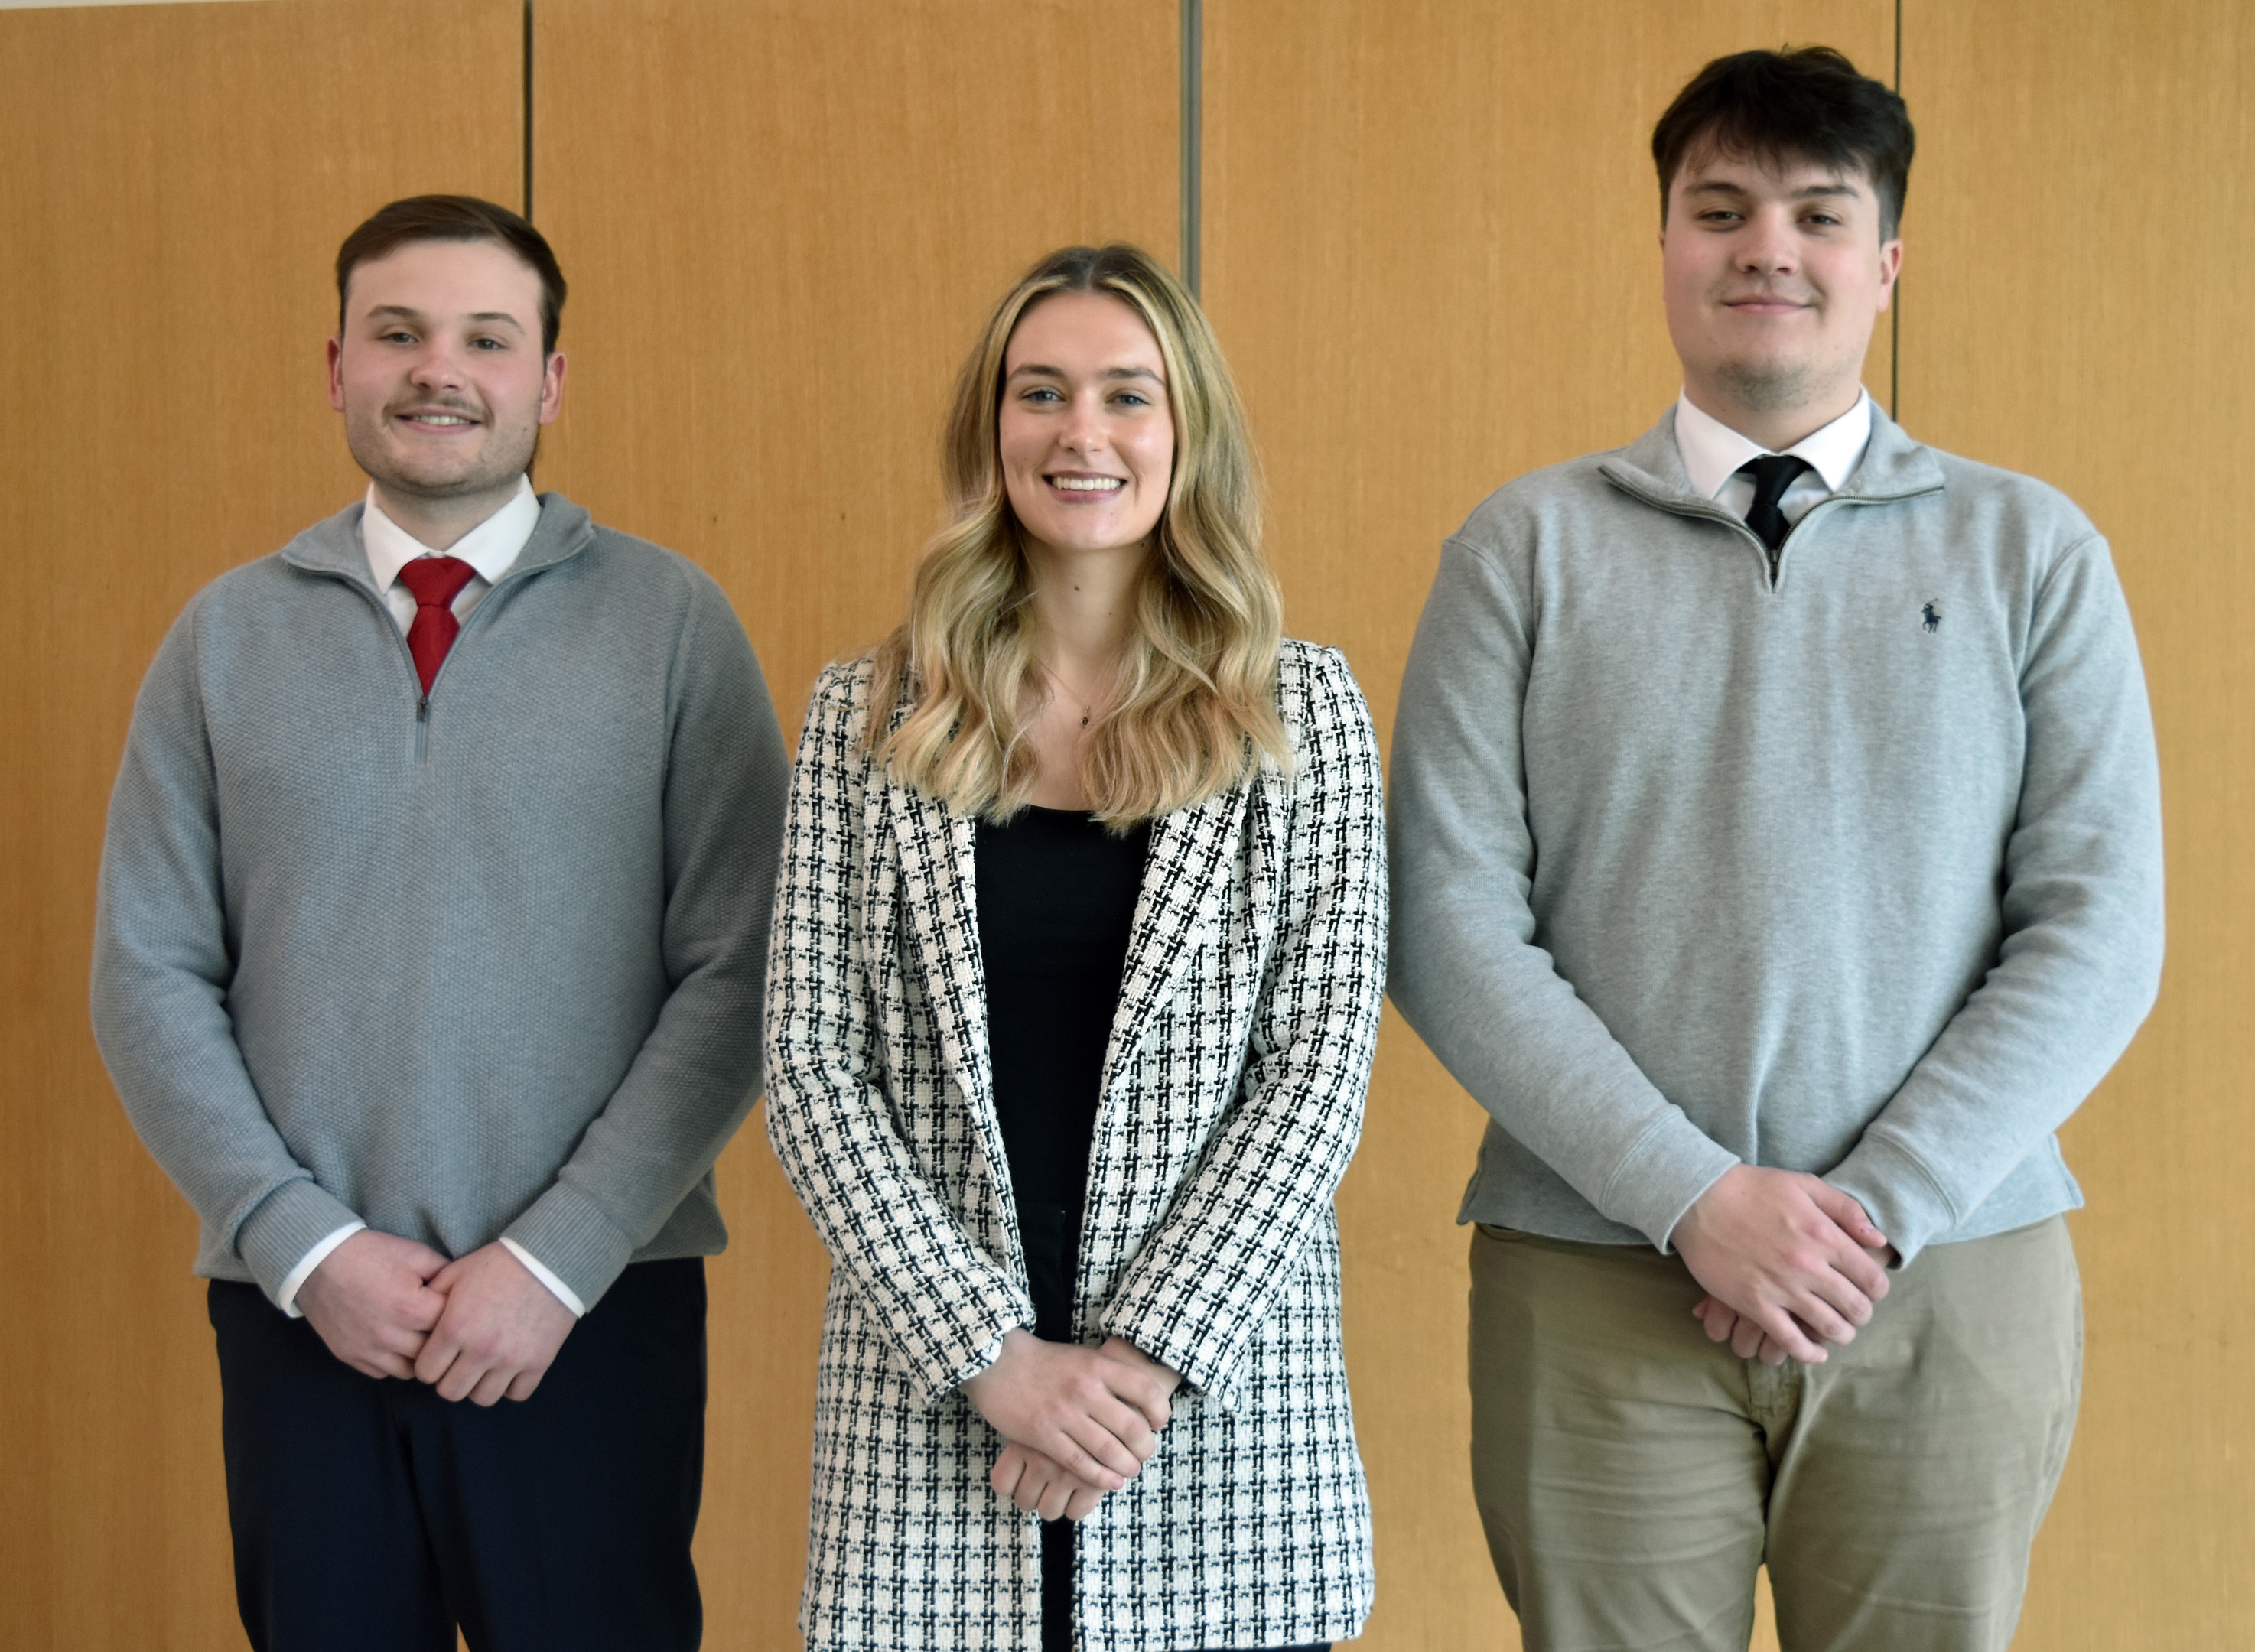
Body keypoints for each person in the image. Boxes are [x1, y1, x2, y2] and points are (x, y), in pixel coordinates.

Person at [1388, 47, 2163, 1652]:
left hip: (1944, 1271)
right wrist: (1691, 1198)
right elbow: (1447, 924)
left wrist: (1869, 1209)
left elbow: (2095, 932)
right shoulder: (1520, 551)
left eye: (1818, 215)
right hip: (1596, 1275)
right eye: (1717, 209)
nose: (1766, 250)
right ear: (1663, 243)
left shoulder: (2031, 550)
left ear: (1882, 262)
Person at [89, 194, 789, 1652]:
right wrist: (299, 1246)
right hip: (303, 1318)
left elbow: (742, 972)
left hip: (591, 1315)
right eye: (397, 334)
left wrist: (555, 1261)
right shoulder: (223, 639)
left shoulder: (672, 626)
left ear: (549, 381)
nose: (438, 370)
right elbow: (148, 973)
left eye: (488, 337)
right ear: (334, 365)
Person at [763, 243, 1382, 1652]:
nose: (1082, 434)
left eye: (1127, 395)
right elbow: (810, 1067)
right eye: (1040, 393)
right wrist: (994, 1361)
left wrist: (1133, 1371)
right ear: (991, 430)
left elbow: (1317, 1069)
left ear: (1188, 435)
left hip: (1216, 1436)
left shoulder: (1301, 713)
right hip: (934, 1419)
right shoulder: (865, 715)